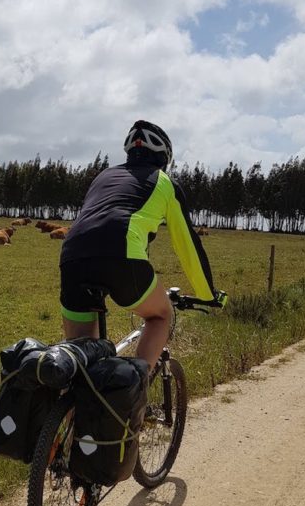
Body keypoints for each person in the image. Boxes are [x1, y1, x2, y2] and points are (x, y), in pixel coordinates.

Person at [59, 120, 223, 369]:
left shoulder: (103, 176)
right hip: (121, 254)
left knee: (80, 365)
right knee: (160, 315)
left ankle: (73, 405)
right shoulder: (165, 182)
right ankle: (136, 392)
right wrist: (208, 294)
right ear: (163, 157)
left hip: (72, 256)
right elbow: (188, 245)